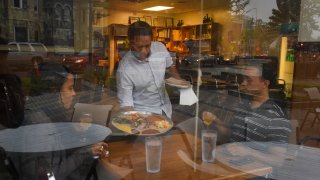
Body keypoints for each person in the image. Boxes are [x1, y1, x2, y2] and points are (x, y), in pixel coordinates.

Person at [18, 62, 108, 180]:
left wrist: (76, 132)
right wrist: (86, 152)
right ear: (54, 92)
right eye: (70, 88)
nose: (74, 93)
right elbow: (49, 177)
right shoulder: (40, 129)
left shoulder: (46, 114)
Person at [202, 64, 291, 143]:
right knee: (195, 123)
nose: (244, 83)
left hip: (250, 161)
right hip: (231, 155)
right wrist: (216, 121)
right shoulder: (243, 106)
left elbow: (278, 155)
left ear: (265, 84)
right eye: (244, 79)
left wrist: (248, 152)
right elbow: (232, 134)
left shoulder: (275, 114)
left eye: (249, 80)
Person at [116, 21, 181, 118]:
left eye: (147, 46)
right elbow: (127, 104)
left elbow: (170, 66)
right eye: (139, 47)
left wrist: (180, 84)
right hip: (143, 115)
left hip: (166, 110)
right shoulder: (125, 68)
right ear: (131, 43)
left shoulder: (160, 48)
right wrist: (137, 125)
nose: (144, 51)